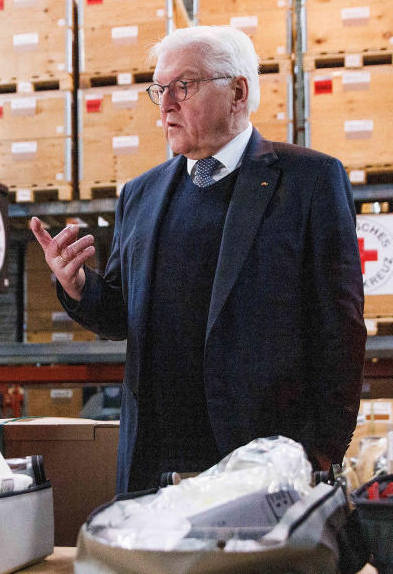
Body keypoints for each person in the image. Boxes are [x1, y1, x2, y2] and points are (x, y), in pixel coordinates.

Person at [31, 26, 365, 493]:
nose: (166, 104)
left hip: (262, 461)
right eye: (159, 89)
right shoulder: (141, 194)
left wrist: (318, 452)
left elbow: (340, 331)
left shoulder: (308, 181)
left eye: (183, 86)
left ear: (238, 92)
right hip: (154, 464)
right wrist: (79, 286)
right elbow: (123, 315)